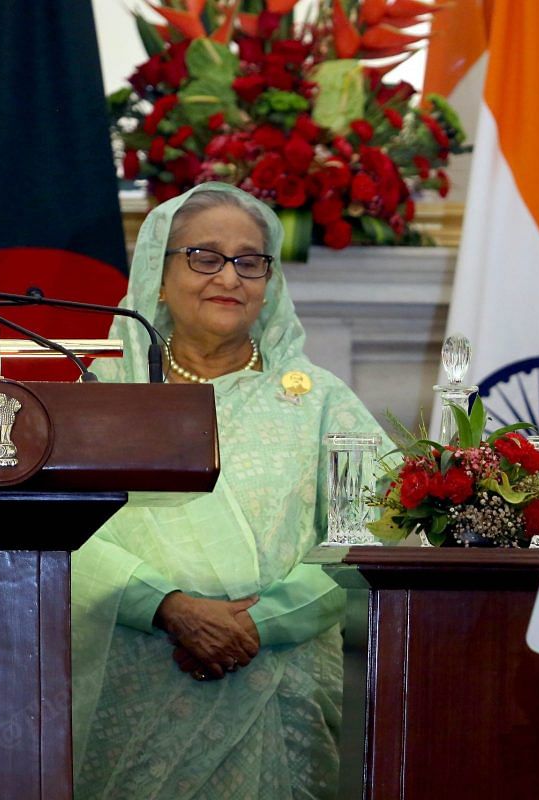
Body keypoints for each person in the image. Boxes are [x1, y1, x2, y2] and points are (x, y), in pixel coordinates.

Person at [71, 182, 389, 799]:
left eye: (250, 261)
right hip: (136, 683)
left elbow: (377, 529)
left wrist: (265, 622)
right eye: (205, 256)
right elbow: (49, 533)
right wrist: (165, 605)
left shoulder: (317, 399)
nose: (230, 276)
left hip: (283, 684)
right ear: (158, 277)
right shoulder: (100, 392)